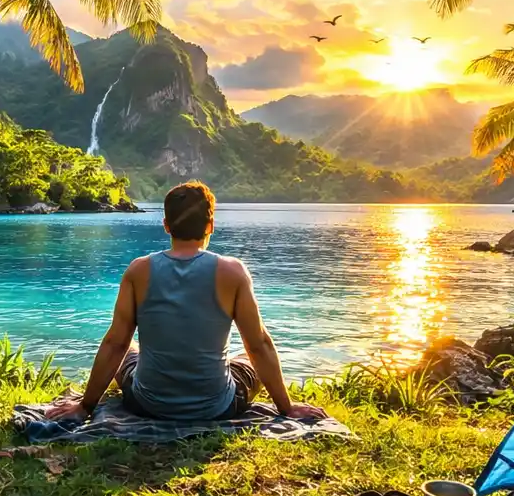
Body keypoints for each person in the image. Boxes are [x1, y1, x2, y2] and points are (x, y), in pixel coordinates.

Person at [47, 181, 326, 423]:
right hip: (217, 406)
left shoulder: (138, 270)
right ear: (211, 225)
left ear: (166, 225)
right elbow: (258, 344)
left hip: (147, 404)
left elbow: (115, 343)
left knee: (128, 346)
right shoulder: (233, 271)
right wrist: (286, 407)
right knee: (245, 358)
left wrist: (85, 406)